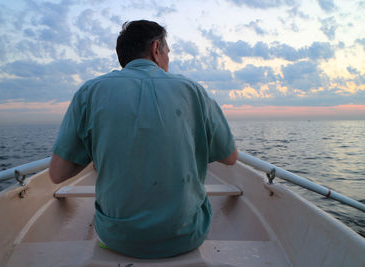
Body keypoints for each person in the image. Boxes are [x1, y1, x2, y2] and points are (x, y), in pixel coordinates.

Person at [49, 20, 238, 259]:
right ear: (156, 49)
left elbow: (57, 174)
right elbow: (230, 158)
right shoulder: (193, 90)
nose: (168, 60)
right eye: (168, 52)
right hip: (186, 236)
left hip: (117, 238)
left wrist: (95, 150)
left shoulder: (90, 91)